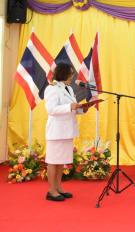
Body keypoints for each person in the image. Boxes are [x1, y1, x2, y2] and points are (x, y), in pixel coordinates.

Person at [44, 63, 88, 202]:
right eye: (70, 73)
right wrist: (70, 106)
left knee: (61, 161)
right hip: (56, 131)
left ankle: (58, 187)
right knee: (53, 161)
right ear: (63, 74)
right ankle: (51, 191)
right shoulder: (52, 89)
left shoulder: (68, 88)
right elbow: (51, 109)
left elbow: (71, 108)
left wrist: (82, 109)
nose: (72, 76)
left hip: (67, 130)